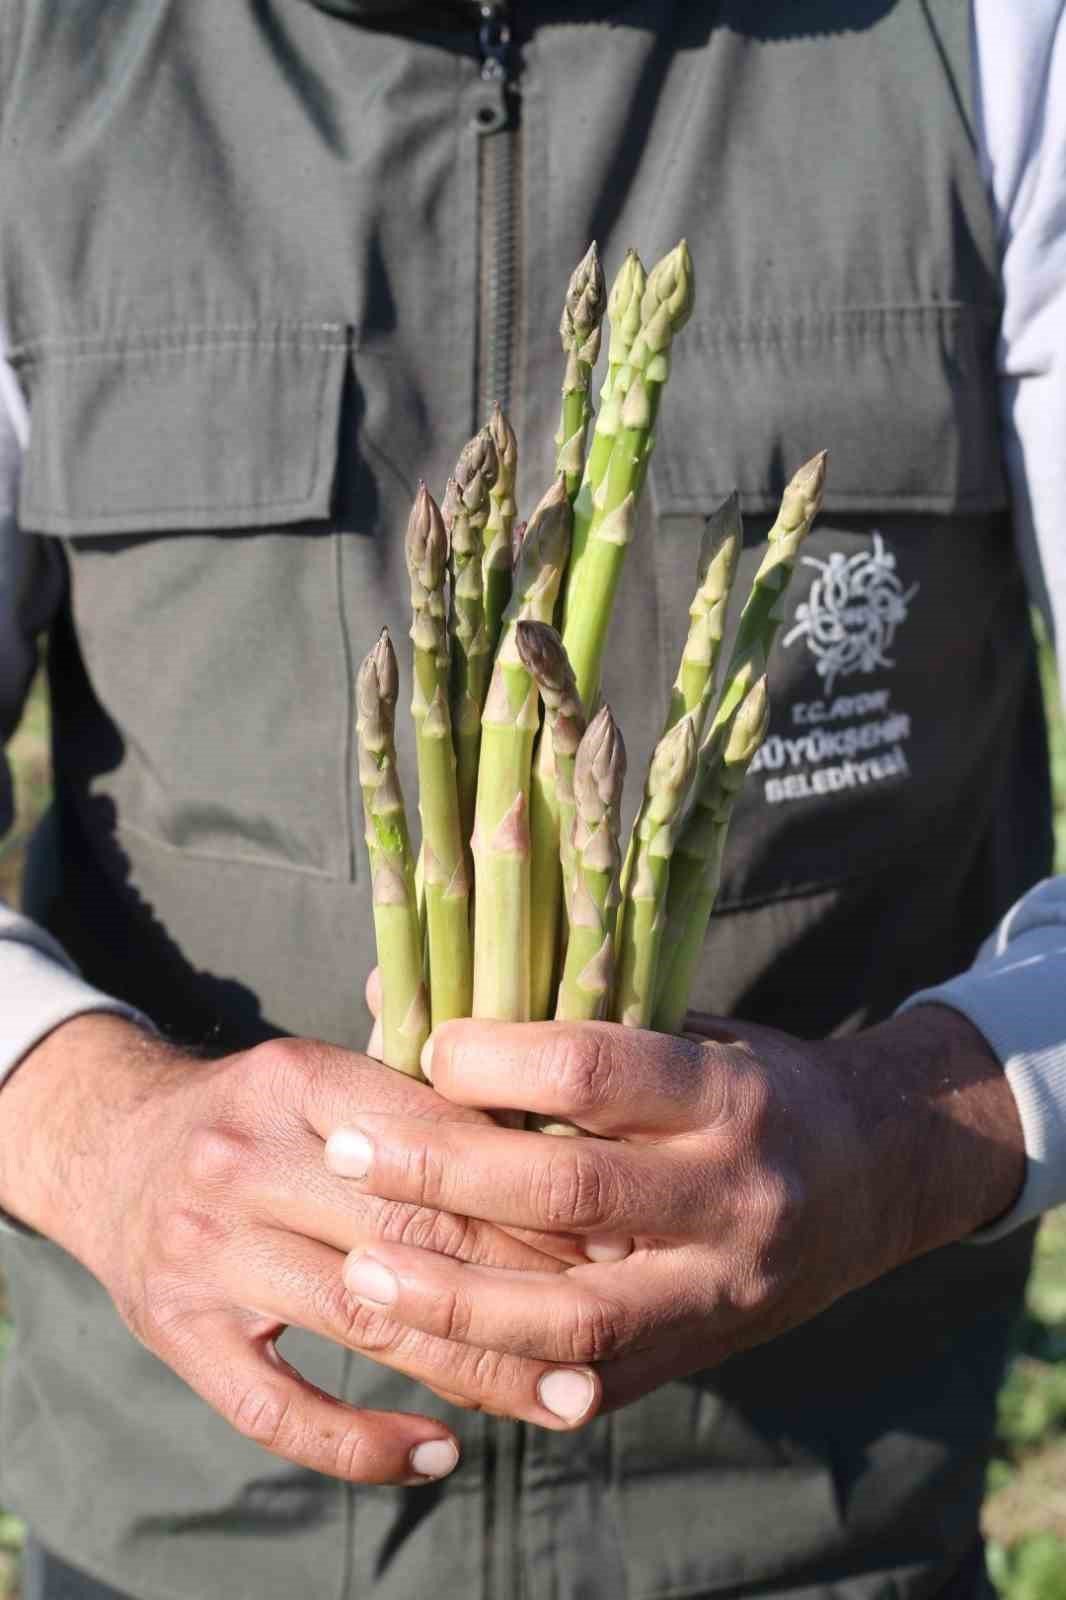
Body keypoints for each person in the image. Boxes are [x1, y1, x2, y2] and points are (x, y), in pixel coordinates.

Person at [1, 2, 1065, 1596]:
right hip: (179, 1547)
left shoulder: (990, 38)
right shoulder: (35, 50)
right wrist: (89, 1127)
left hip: (817, 1538)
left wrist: (917, 1121)